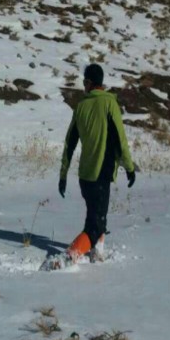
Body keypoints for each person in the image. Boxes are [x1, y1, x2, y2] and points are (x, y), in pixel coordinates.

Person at [57, 63, 136, 266]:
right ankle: (69, 257)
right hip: (102, 174)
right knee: (95, 224)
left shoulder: (81, 107)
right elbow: (121, 139)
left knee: (96, 216)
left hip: (85, 176)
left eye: (85, 82)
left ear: (91, 83)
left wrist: (63, 175)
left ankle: (97, 254)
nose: (83, 86)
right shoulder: (110, 104)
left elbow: (69, 143)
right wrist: (129, 167)